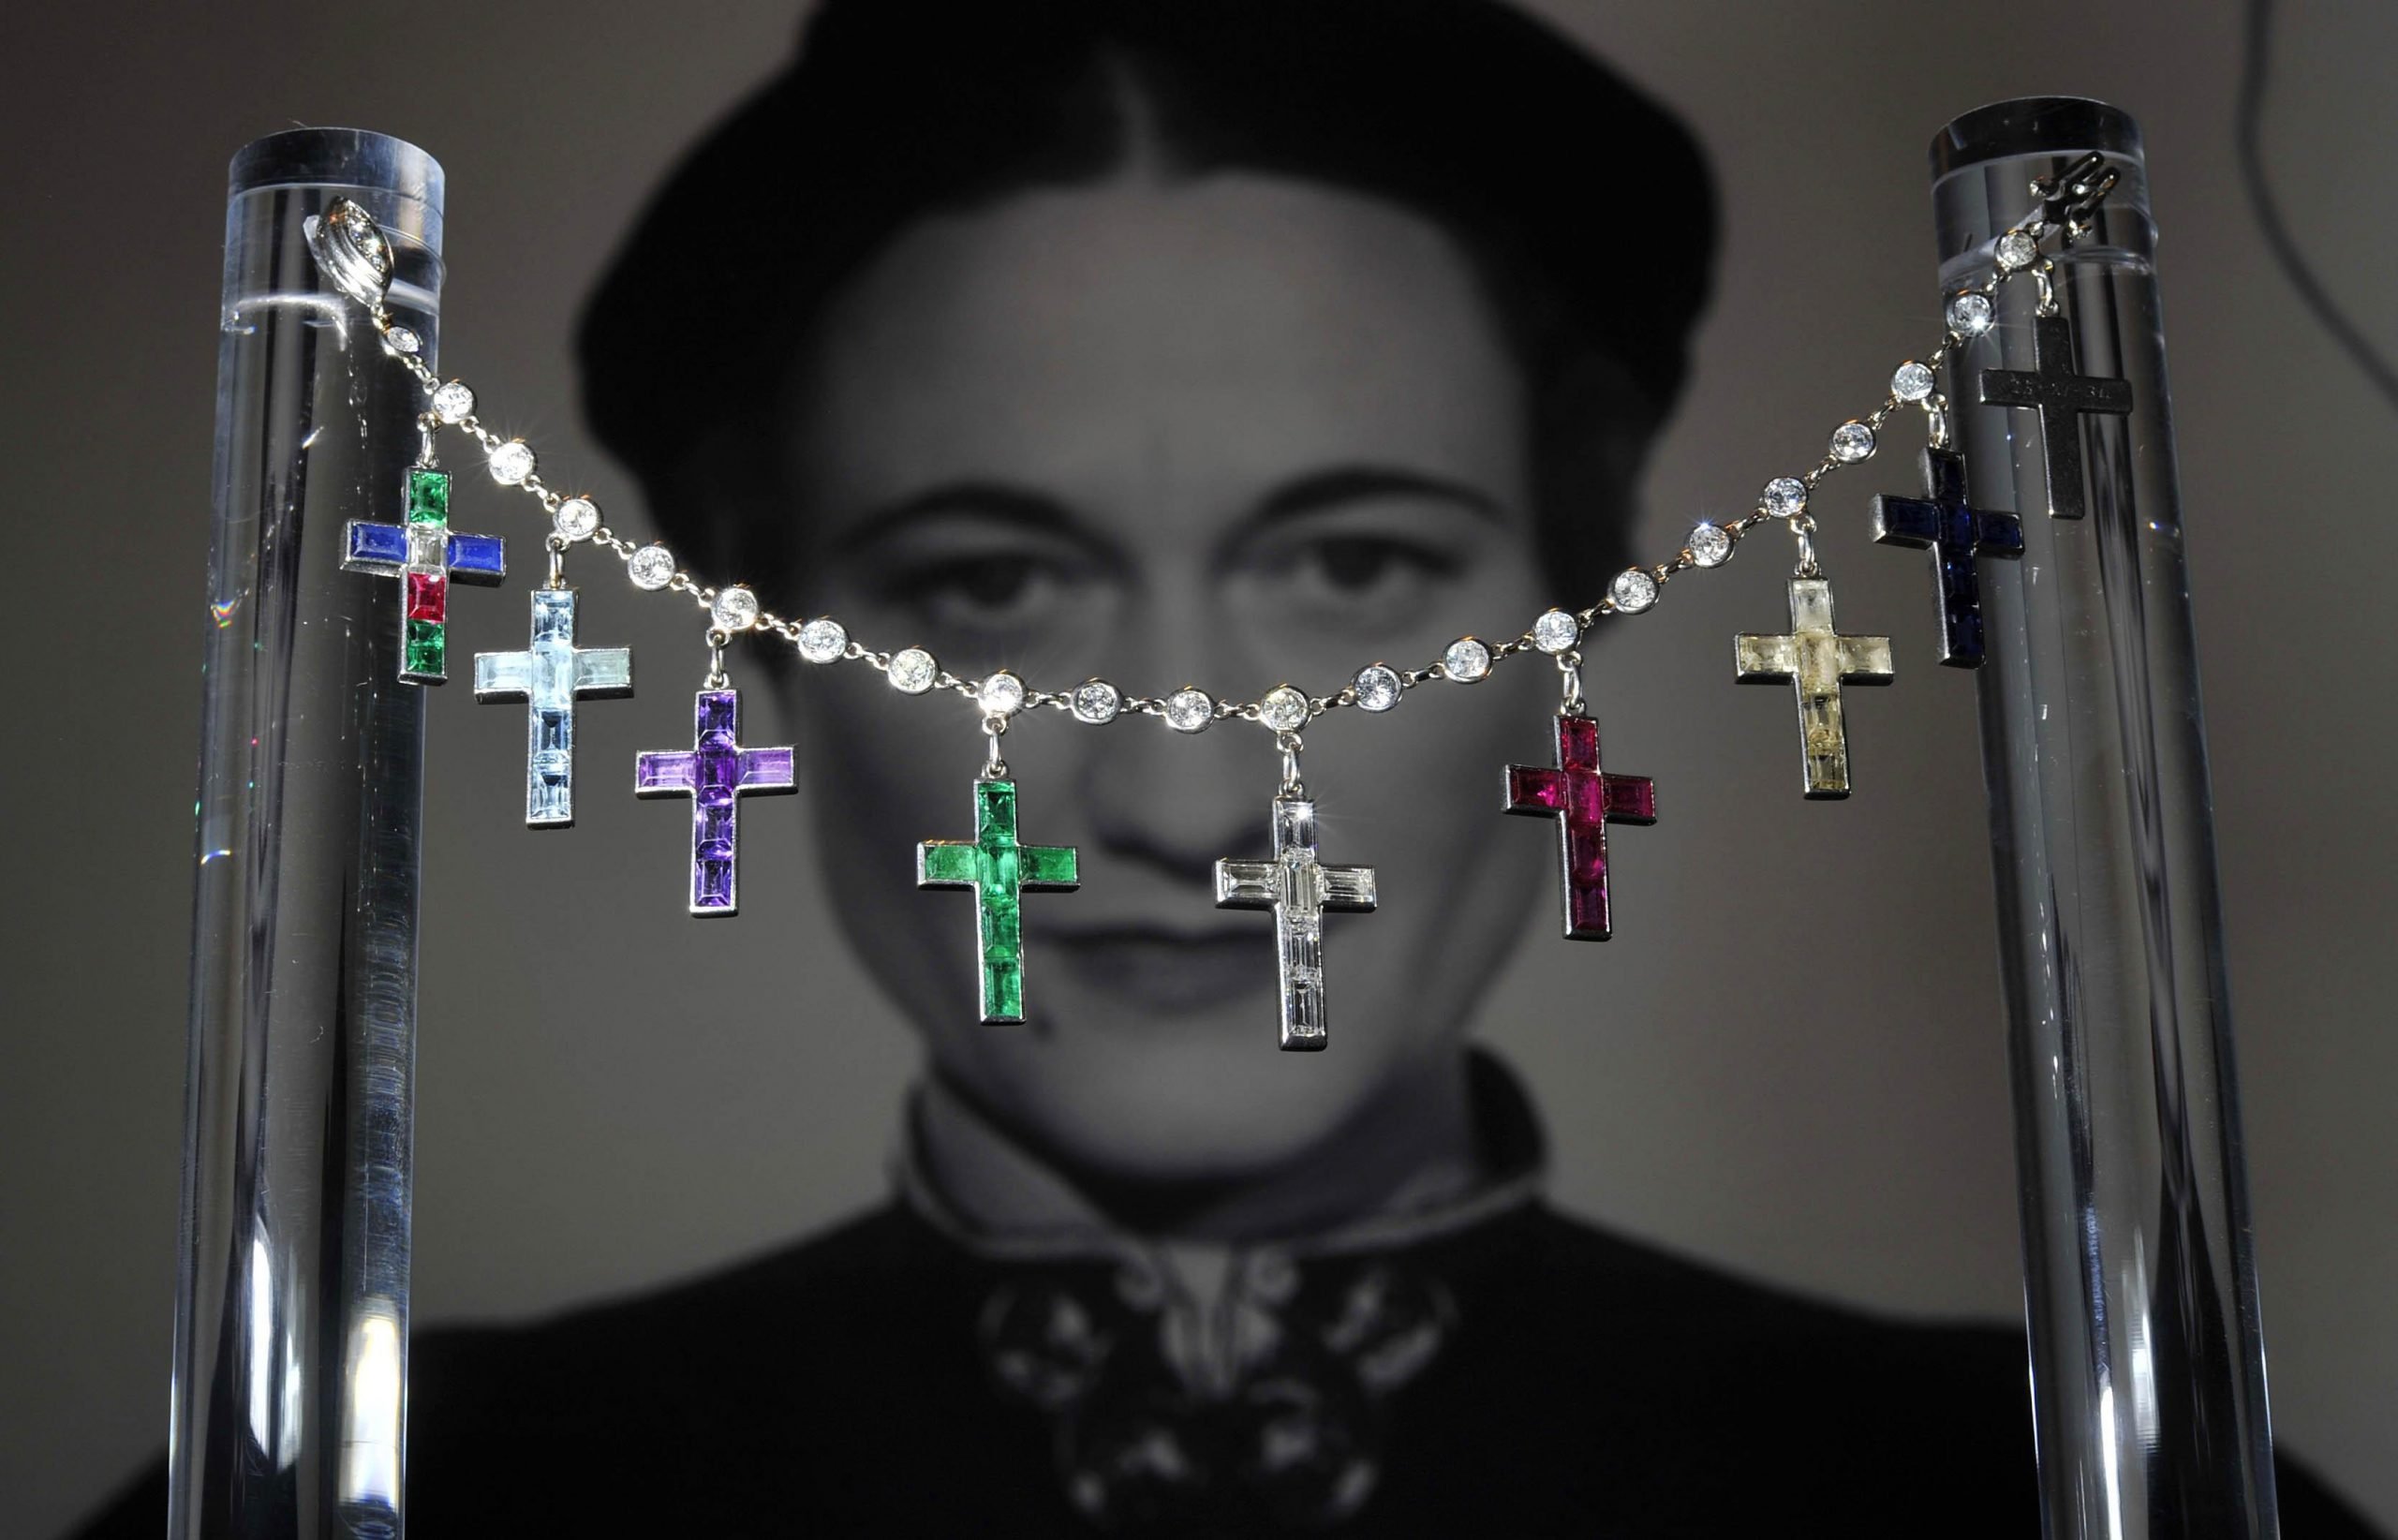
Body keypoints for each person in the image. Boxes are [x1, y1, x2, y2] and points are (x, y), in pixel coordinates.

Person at [77, 1, 2379, 1533]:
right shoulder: (387, 1490)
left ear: (1566, 635)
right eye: (985, 588)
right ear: (763, 657)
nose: (1184, 812)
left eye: (1356, 562)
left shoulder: (2022, 1485)